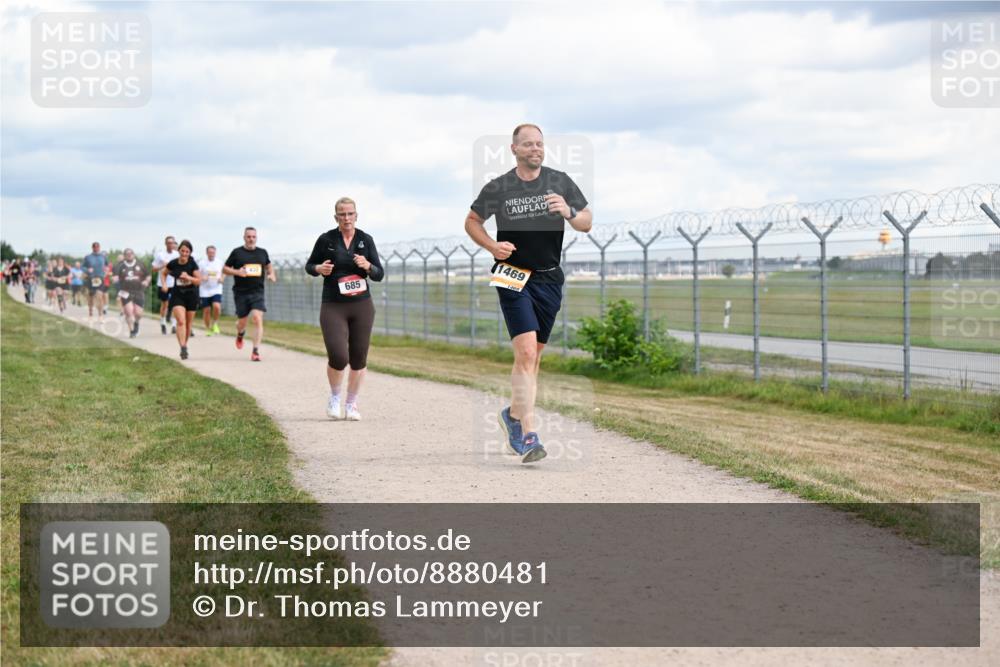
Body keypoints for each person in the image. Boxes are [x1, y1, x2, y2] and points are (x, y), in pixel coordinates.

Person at [464, 123, 592, 463]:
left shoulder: (559, 181)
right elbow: (472, 221)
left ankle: (512, 416)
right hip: (512, 275)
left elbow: (587, 222)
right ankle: (529, 432)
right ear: (514, 149)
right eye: (528, 144)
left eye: (539, 144)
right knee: (524, 353)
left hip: (549, 278)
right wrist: (492, 245)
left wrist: (569, 212)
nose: (535, 149)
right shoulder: (499, 186)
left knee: (534, 357)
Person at [305, 197, 385, 420]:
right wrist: (319, 268)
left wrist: (368, 266)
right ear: (336, 217)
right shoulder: (326, 239)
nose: (346, 218)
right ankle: (334, 398)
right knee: (339, 357)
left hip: (361, 305)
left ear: (356, 215)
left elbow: (379, 273)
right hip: (333, 305)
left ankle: (351, 404)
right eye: (342, 214)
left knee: (359, 358)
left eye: (350, 214)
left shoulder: (365, 240)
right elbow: (309, 266)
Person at [223, 227, 276, 362]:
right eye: (248, 237)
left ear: (256, 237)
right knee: (242, 322)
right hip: (240, 293)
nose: (251, 239)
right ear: (244, 238)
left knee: (257, 318)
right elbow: (225, 268)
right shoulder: (237, 252)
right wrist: (237, 272)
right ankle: (240, 333)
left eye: (253, 236)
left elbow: (268, 266)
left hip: (257, 292)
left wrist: (271, 274)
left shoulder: (262, 252)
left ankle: (255, 351)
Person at [165, 240, 201, 359]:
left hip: (192, 295)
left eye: (187, 251)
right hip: (178, 294)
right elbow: (164, 272)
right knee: (181, 321)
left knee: (188, 324)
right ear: (178, 250)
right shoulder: (173, 263)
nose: (184, 253)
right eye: (182, 251)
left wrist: (188, 277)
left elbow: (198, 281)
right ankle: (182, 347)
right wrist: (165, 285)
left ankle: (185, 344)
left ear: (190, 253)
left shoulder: (193, 264)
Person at [113, 248, 151, 338]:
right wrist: (117, 286)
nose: (129, 255)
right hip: (125, 291)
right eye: (127, 253)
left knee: (138, 313)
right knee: (129, 312)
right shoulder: (120, 266)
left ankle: (136, 323)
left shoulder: (140, 264)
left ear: (134, 254)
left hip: (139, 291)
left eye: (131, 253)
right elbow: (115, 278)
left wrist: (146, 281)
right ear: (124, 255)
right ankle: (131, 331)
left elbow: (148, 275)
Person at [152, 236, 179, 335]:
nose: (171, 244)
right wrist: (163, 265)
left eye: (172, 243)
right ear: (166, 244)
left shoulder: (177, 255)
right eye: (169, 243)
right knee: (165, 304)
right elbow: (154, 269)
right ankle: (163, 322)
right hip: (163, 283)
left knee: (175, 304)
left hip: (174, 283)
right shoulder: (160, 255)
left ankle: (174, 325)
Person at [198, 245, 225, 336]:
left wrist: (222, 278)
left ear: (215, 253)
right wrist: (202, 277)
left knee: (217, 306)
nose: (211, 254)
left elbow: (225, 271)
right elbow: (196, 274)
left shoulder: (220, 262)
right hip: (204, 290)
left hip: (216, 288)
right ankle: (208, 328)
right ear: (207, 253)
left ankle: (215, 323)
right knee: (206, 310)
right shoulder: (201, 263)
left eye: (213, 252)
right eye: (210, 252)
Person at [82, 242, 108, 320]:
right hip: (91, 279)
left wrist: (106, 271)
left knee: (99, 295)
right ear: (92, 248)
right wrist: (87, 269)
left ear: (99, 248)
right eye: (94, 247)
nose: (96, 248)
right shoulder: (88, 257)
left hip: (100, 278)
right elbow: (83, 267)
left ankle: (100, 315)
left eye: (97, 247)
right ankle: (90, 313)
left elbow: (107, 265)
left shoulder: (103, 257)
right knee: (91, 297)